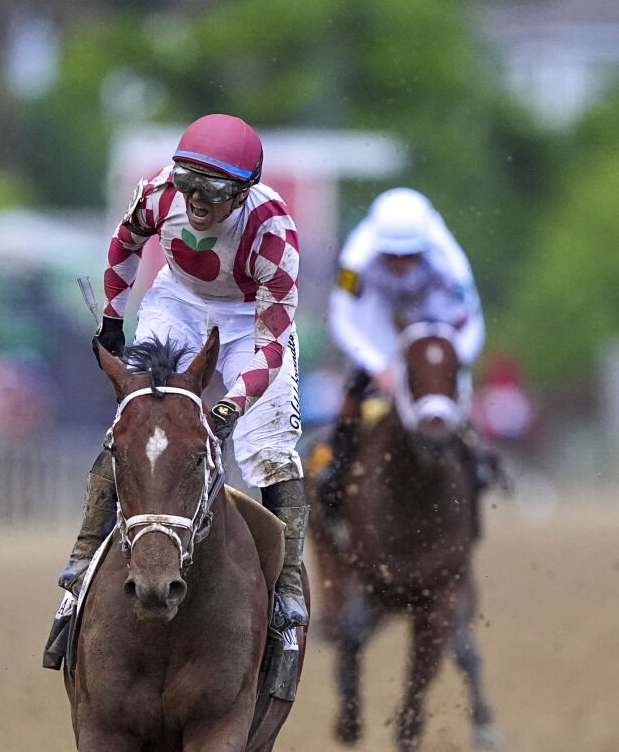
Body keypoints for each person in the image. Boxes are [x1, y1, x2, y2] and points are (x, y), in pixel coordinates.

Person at [43, 113, 305, 670]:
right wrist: (113, 316)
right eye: (189, 182)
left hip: (249, 322)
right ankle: (86, 550)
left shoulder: (273, 233)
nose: (196, 199)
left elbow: (273, 344)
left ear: (241, 192)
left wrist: (232, 403)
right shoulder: (160, 193)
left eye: (212, 190)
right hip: (177, 301)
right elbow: (124, 244)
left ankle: (289, 585)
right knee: (139, 418)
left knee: (269, 450)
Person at [319, 186, 493, 515]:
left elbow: (473, 324)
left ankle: (476, 463)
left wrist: (450, 363)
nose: (399, 262)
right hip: (378, 318)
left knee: (448, 391)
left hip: (430, 318)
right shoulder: (356, 258)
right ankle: (336, 471)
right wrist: (378, 367)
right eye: (391, 254)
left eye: (409, 255)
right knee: (353, 396)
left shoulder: (449, 258)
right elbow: (343, 319)